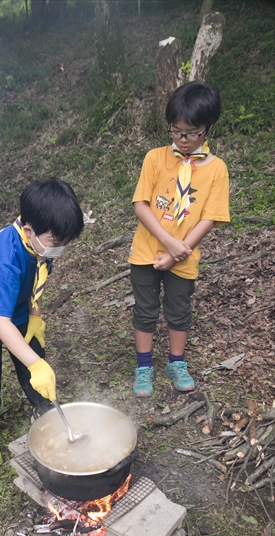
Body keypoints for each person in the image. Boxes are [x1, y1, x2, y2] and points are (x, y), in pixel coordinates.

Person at [0, 178, 84, 468]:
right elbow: (0, 323)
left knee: (33, 356)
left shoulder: (39, 245)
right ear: (28, 230)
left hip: (13, 303)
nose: (60, 249)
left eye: (65, 244)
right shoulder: (4, 260)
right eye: (57, 244)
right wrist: (36, 364)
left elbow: (35, 280)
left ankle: (43, 408)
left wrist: (34, 317)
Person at [128, 81, 230, 398]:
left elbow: (209, 217)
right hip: (146, 251)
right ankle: (144, 366)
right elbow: (140, 204)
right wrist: (166, 242)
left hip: (184, 257)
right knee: (145, 310)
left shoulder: (216, 170)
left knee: (178, 310)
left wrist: (177, 252)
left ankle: (176, 362)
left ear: (209, 128)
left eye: (192, 132)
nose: (183, 140)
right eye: (176, 131)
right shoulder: (156, 158)